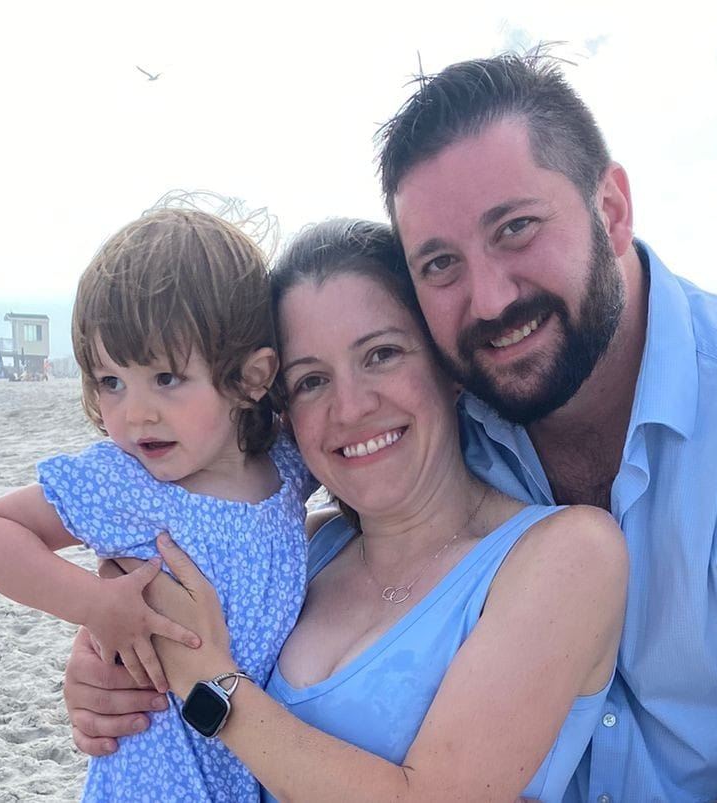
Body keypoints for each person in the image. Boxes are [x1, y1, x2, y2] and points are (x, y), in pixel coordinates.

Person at [66, 53, 717, 802]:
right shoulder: (328, 531)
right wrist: (110, 664)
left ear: (610, 211)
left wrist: (207, 687)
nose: (488, 297)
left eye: (516, 227)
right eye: (441, 263)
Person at [68, 217, 627, 802]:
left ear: (449, 369)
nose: (351, 407)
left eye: (381, 354)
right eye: (310, 381)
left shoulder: (565, 556)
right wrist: (105, 679)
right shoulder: (293, 554)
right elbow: (137, 624)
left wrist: (206, 683)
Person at [0, 209, 312, 802]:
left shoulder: (287, 464)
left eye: (166, 377)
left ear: (251, 378)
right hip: (155, 773)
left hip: (256, 758)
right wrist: (97, 605)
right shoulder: (128, 483)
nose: (134, 414)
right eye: (110, 382)